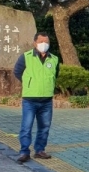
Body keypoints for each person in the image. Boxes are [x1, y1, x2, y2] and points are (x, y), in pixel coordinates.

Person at [13, 31, 60, 163]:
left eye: (46, 42)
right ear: (35, 43)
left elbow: (55, 75)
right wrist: (29, 83)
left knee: (44, 127)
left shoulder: (54, 59)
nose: (44, 44)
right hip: (30, 99)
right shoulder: (26, 57)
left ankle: (39, 150)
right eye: (41, 42)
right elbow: (17, 72)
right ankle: (24, 152)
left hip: (46, 100)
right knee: (26, 126)